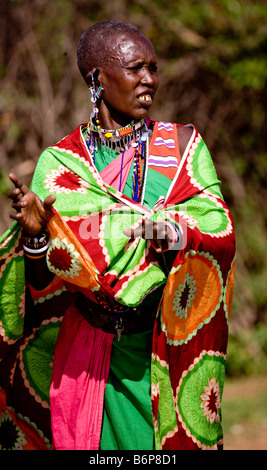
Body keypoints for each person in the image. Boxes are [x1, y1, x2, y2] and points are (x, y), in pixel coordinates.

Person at [0, 21, 236, 450]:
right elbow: (40, 286)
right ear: (98, 80)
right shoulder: (61, 166)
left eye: (154, 68)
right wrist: (34, 237)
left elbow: (219, 228)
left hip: (160, 351)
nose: (150, 80)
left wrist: (176, 233)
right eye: (135, 69)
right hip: (87, 354)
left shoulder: (182, 149)